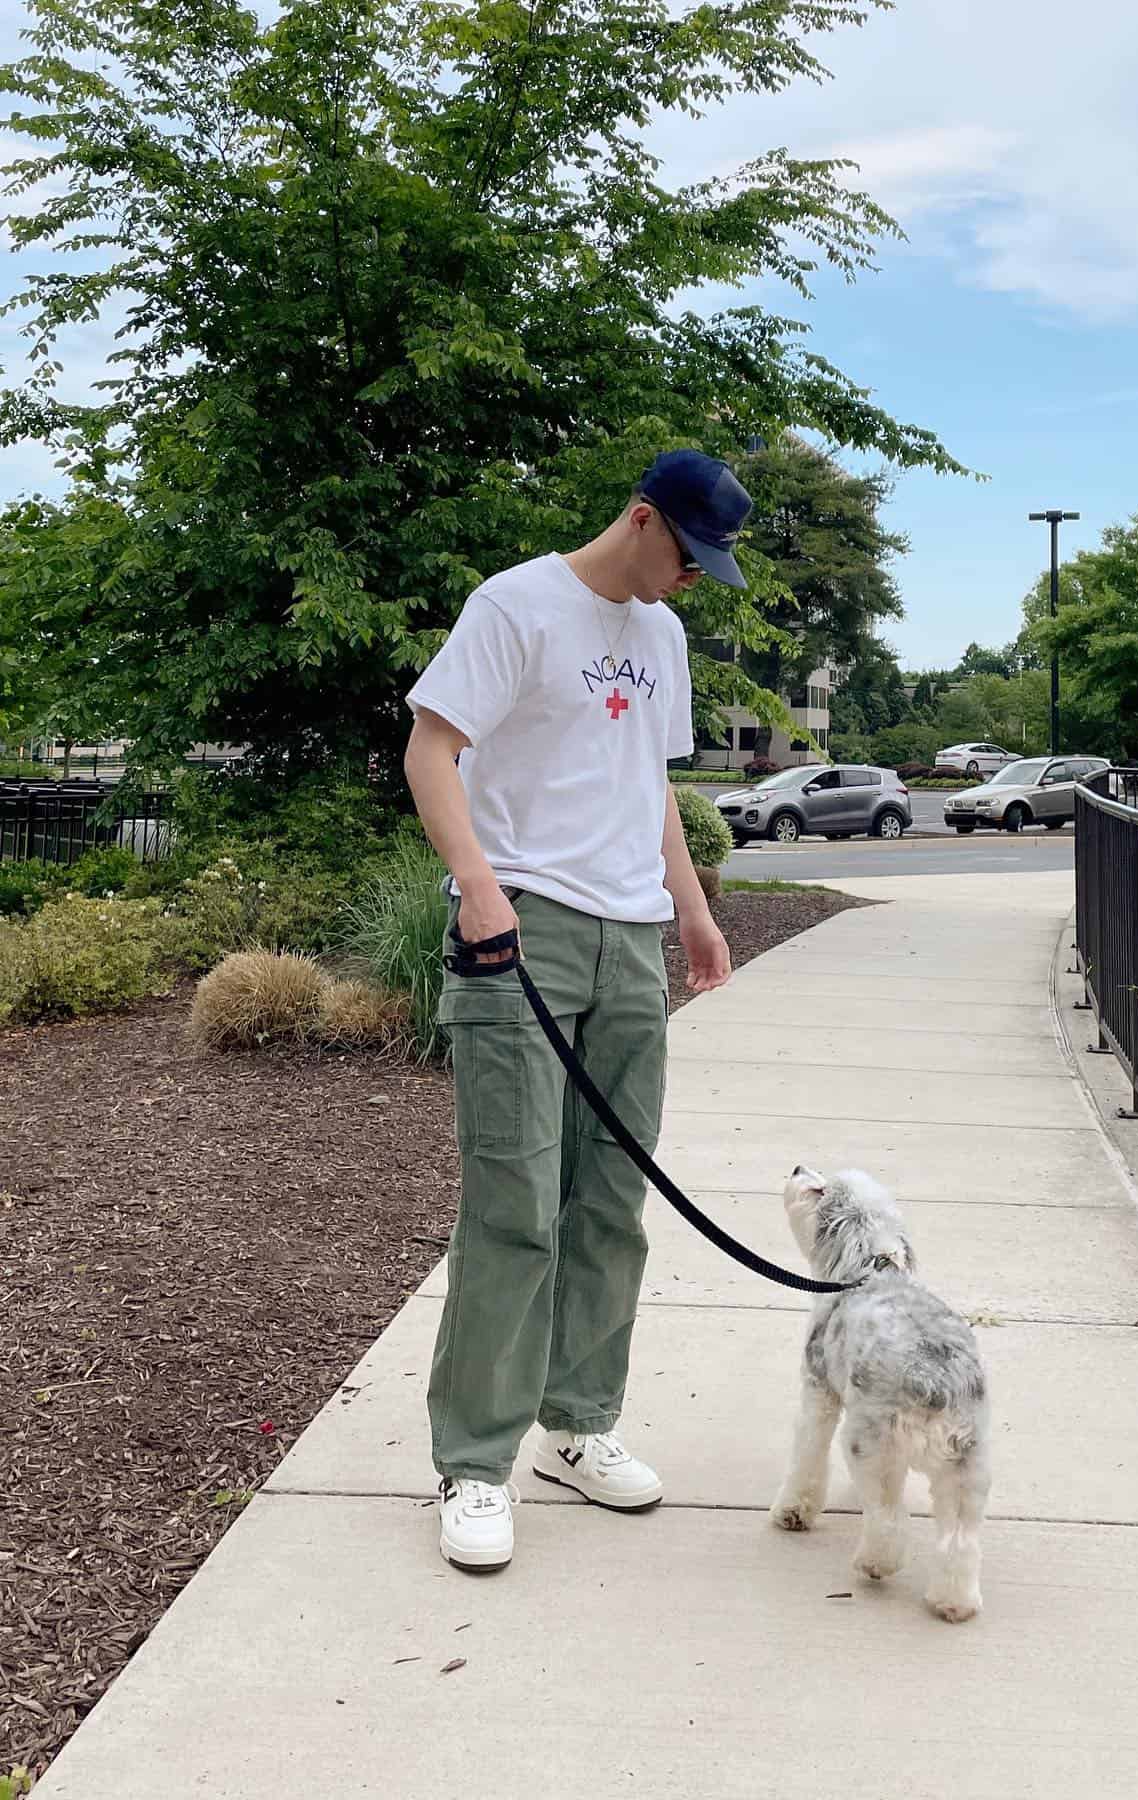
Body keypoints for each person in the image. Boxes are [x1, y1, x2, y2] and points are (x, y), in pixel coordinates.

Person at [403, 449, 752, 1570]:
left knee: (612, 1194)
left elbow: (649, 785)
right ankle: (473, 1460)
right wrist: (480, 887)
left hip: (630, 935)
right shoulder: (517, 605)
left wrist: (691, 912)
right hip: (527, 926)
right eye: (686, 557)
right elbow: (432, 747)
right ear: (640, 518)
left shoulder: (664, 635)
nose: (692, 581)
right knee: (516, 1196)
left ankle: (580, 1424)